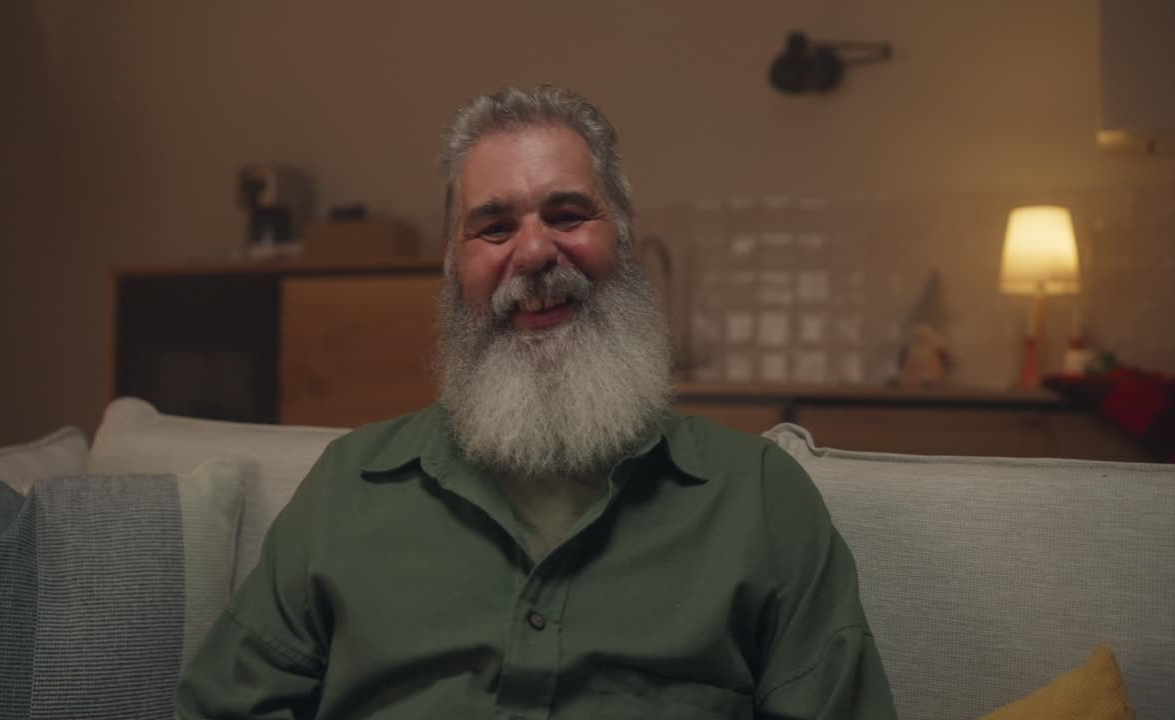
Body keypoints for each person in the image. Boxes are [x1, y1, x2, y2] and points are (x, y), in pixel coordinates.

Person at [176, 84, 897, 719]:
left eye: (568, 214)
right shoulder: (347, 486)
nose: (532, 254)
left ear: (626, 234)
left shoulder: (761, 500)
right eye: (494, 227)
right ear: (455, 265)